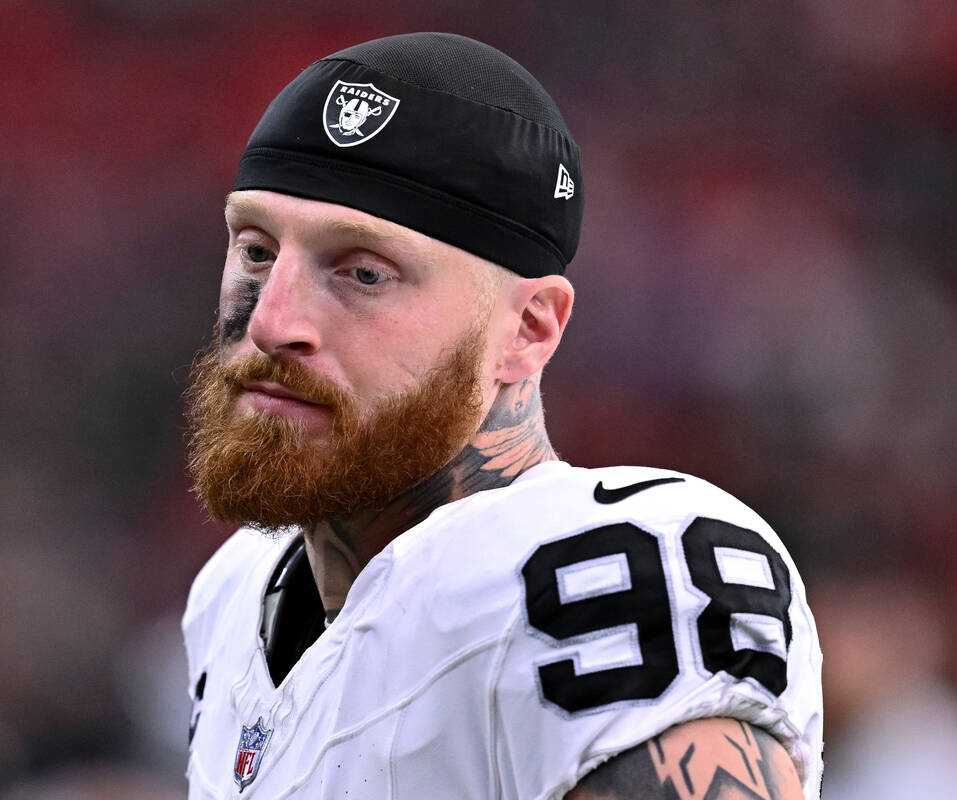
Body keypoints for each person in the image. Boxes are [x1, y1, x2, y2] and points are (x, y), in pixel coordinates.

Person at [181, 32, 822, 799]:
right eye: (256, 251)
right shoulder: (234, 596)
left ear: (529, 329)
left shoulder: (614, 568)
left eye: (362, 272)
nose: (271, 320)